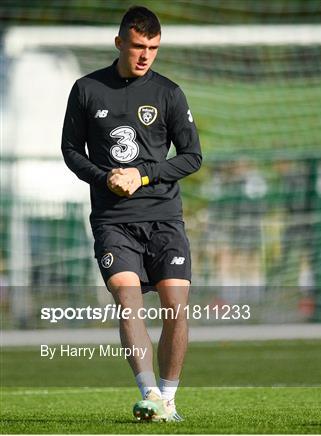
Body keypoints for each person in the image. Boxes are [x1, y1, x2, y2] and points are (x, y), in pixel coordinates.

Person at [61, 6, 202, 422]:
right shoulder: (87, 89)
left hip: (163, 216)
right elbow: (71, 151)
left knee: (176, 305)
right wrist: (105, 180)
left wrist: (142, 176)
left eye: (153, 48)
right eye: (138, 46)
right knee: (127, 298)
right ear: (120, 42)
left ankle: (170, 399)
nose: (145, 56)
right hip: (112, 221)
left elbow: (192, 156)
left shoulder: (169, 93)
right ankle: (150, 396)